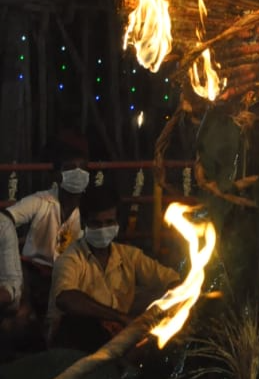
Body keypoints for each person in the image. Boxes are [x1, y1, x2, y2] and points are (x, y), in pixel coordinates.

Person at [47, 181, 180, 352]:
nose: (103, 229)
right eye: (96, 223)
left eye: (109, 222)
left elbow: (172, 281)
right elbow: (66, 299)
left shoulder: (130, 256)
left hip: (116, 338)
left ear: (117, 223)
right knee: (82, 325)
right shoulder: (71, 258)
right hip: (75, 341)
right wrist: (119, 317)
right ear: (83, 223)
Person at [3, 135, 90, 319]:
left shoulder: (90, 210)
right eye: (70, 169)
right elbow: (5, 219)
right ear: (57, 175)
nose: (78, 173)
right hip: (34, 271)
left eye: (82, 169)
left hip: (69, 274)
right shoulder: (41, 201)